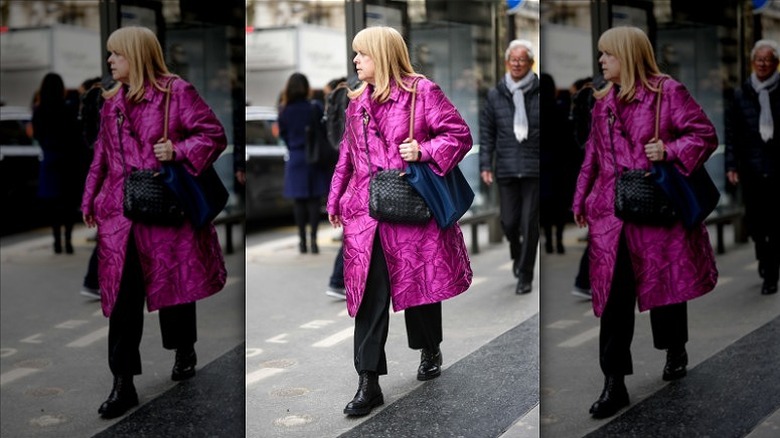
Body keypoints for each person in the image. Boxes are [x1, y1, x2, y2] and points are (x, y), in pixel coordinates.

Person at [80, 26, 227, 419]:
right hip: (120, 214)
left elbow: (213, 135)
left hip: (165, 209)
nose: (110, 61)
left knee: (174, 287)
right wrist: (90, 196)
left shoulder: (175, 92)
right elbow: (102, 154)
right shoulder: (111, 100)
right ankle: (122, 382)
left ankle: (183, 349)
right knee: (122, 299)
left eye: (116, 54)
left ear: (136, 55)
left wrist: (177, 149)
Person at [572, 26, 718, 419]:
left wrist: (669, 149)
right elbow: (593, 155)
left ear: (627, 55)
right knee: (614, 298)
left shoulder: (666, 92)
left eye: (608, 54)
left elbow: (704, 135)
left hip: (656, 209)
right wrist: (581, 196)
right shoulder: (602, 101)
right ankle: (614, 382)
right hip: (612, 213)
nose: (601, 61)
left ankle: (675, 348)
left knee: (664, 286)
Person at [327, 26, 473, 417]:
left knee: (419, 287)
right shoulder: (356, 101)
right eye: (355, 54)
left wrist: (423, 149)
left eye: (362, 54)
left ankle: (429, 347)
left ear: (382, 54)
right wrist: (336, 197)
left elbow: (459, 135)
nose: (356, 61)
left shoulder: (421, 92)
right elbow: (347, 154)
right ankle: (368, 380)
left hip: (412, 208)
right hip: (367, 212)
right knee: (369, 297)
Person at [479, 39, 540, 295]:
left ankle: (525, 274)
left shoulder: (539, 90)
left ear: (530, 63)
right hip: (505, 167)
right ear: (507, 62)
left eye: (521, 60)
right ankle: (517, 253)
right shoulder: (496, 93)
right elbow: (487, 132)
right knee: (509, 222)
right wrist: (485, 164)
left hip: (535, 169)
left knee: (530, 223)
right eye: (512, 60)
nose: (516, 64)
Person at [725, 39, 779, 295]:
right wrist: (731, 165)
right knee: (757, 223)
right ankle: (762, 252)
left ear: (776, 63)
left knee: (776, 222)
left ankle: (771, 272)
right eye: (759, 59)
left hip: (777, 168)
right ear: (752, 62)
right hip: (751, 169)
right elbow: (732, 133)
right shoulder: (740, 93)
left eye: (768, 60)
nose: (763, 64)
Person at [32, 72, 87, 255]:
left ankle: (56, 241)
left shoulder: (39, 111)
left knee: (54, 204)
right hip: (68, 160)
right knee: (69, 203)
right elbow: (76, 135)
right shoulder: (67, 109)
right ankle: (69, 241)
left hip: (50, 159)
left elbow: (37, 136)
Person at [278, 72, 331, 254]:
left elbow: (283, 134)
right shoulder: (314, 107)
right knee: (314, 201)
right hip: (313, 157)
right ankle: (314, 241)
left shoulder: (284, 109)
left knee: (299, 201)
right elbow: (323, 131)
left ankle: (302, 242)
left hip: (295, 157)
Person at [79, 76, 106, 300]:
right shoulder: (107, 99)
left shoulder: (90, 99)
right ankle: (93, 280)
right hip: (109, 178)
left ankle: (93, 280)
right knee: (108, 234)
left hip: (101, 173)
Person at [323, 76, 350, 300]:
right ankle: (337, 280)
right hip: (359, 175)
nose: (358, 59)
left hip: (344, 164)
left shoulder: (342, 91)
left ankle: (338, 280)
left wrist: (333, 203)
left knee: (351, 231)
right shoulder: (358, 93)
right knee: (353, 233)